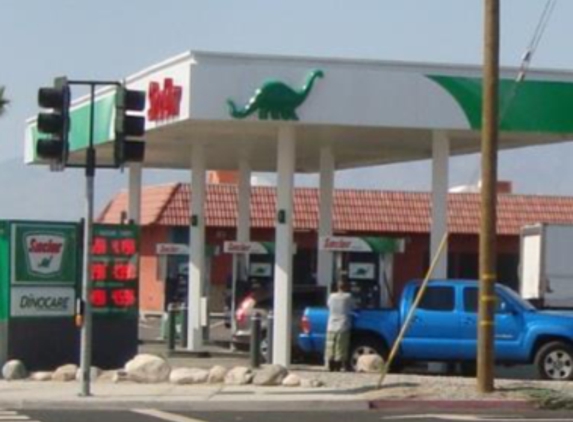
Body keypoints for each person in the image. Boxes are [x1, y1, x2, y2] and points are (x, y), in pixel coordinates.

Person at [325, 279, 355, 372]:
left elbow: (328, 305)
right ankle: (338, 365)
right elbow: (353, 306)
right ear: (346, 287)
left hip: (331, 324)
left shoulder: (332, 296)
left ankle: (331, 364)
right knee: (340, 346)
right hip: (343, 324)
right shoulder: (348, 297)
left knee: (330, 345)